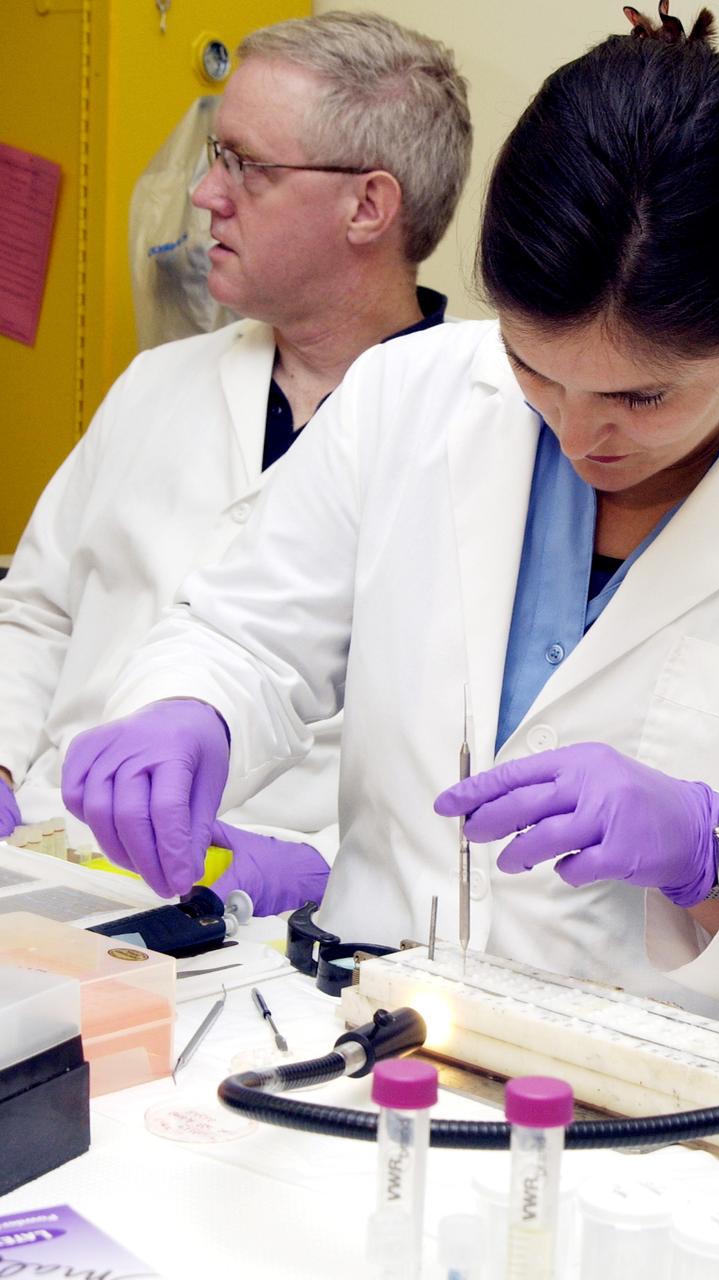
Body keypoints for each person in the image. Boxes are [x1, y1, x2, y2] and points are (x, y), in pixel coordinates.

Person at [61, 7, 719, 1030]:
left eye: (641, 399)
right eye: (533, 369)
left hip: (654, 1119)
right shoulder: (405, 392)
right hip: (369, 1037)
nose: (582, 432)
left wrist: (713, 843)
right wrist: (192, 708)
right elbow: (243, 632)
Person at [0, 11, 471, 913]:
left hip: (276, 925)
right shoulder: (156, 385)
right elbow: (39, 611)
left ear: (368, 206)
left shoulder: (479, 433)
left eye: (247, 166)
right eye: (217, 156)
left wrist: (328, 871)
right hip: (44, 869)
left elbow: (479, 743)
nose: (207, 195)